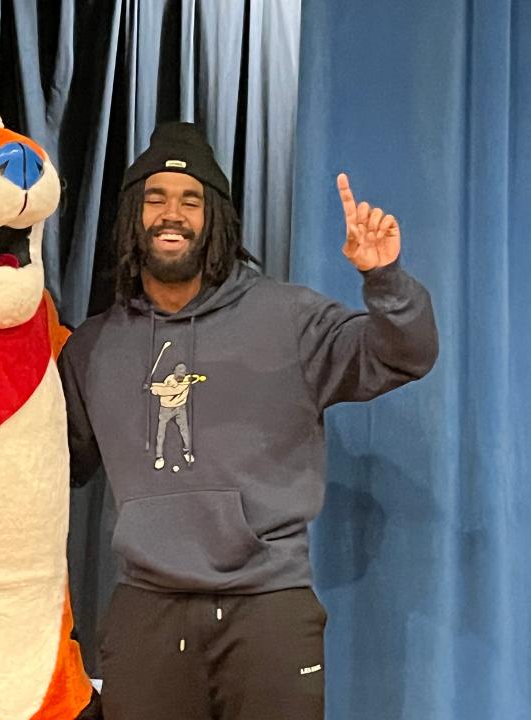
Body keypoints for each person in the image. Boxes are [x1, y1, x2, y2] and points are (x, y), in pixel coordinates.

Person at [58, 122, 438, 720]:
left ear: (219, 222)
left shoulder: (289, 318)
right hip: (146, 611)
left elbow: (404, 355)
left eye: (192, 201)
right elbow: (55, 467)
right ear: (133, 216)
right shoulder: (93, 348)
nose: (172, 214)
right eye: (155, 198)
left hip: (268, 609)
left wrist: (383, 279)